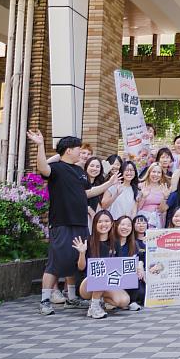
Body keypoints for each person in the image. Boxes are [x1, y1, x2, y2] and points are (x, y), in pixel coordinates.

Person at [27, 130, 118, 315]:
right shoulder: (56, 168)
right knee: (55, 262)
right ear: (69, 150)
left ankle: (71, 298)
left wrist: (109, 184)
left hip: (80, 223)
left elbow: (87, 193)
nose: (81, 152)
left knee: (76, 260)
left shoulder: (79, 171)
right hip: (61, 222)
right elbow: (43, 168)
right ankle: (45, 301)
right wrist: (40, 145)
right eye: (78, 149)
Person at [73, 210, 132, 319]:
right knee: (102, 271)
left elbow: (119, 267)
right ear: (94, 224)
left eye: (106, 221)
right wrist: (82, 253)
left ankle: (99, 300)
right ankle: (94, 307)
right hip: (86, 284)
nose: (103, 224)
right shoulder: (88, 241)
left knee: (124, 301)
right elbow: (81, 268)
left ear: (112, 223)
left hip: (108, 282)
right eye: (99, 222)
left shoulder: (115, 243)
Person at [112, 215, 144, 310]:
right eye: (122, 224)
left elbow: (138, 259)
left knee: (141, 290)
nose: (125, 227)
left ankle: (132, 301)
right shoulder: (111, 243)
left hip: (127, 280)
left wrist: (140, 265)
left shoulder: (133, 244)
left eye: (129, 225)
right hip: (113, 279)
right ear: (116, 226)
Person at [136, 162, 171, 229]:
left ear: (162, 175)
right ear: (149, 173)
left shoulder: (164, 188)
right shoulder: (141, 186)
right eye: (153, 172)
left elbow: (163, 210)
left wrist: (165, 197)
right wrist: (143, 197)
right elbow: (137, 208)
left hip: (158, 220)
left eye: (159, 172)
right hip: (143, 219)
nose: (156, 175)